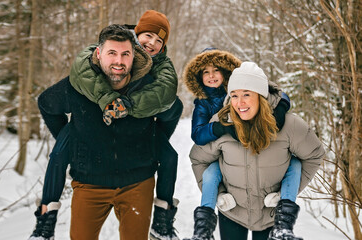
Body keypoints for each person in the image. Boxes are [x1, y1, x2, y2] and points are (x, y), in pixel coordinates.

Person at [29, 10, 182, 240]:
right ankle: (45, 219)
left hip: (137, 183)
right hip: (89, 184)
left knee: (170, 156)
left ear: (135, 57)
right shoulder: (81, 82)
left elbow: (173, 107)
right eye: (112, 53)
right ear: (99, 54)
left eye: (125, 55)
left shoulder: (151, 84)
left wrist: (151, 138)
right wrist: (78, 139)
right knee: (58, 157)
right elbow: (47, 103)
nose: (119, 61)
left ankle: (163, 219)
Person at [188, 62, 325, 240]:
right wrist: (220, 195)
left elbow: (313, 155)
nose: (240, 102)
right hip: (232, 214)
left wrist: (285, 195)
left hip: (271, 216)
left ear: (261, 96)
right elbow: (199, 159)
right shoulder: (222, 124)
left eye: (246, 94)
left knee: (296, 162)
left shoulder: (290, 125)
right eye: (234, 95)